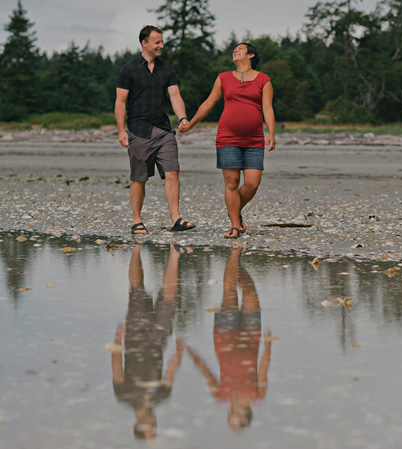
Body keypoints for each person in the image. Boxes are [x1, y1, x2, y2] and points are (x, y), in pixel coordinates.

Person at [180, 42, 275, 239]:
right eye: (234, 49)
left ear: (250, 55)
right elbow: (208, 104)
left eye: (240, 49)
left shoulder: (264, 80)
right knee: (231, 183)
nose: (235, 51)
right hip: (227, 137)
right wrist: (191, 124)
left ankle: (235, 210)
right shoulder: (223, 78)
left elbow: (267, 108)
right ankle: (235, 225)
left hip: (254, 139)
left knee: (252, 183)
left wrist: (271, 133)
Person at [115, 25, 196, 235]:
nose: (161, 45)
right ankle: (137, 221)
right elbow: (120, 102)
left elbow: (175, 96)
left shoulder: (167, 69)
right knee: (139, 178)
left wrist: (183, 118)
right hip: (138, 131)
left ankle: (176, 218)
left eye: (162, 41)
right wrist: (121, 130)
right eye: (157, 42)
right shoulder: (128, 69)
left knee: (173, 171)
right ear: (144, 43)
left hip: (164, 130)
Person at [185, 246, 272, 431]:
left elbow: (206, 373)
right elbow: (263, 370)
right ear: (245, 415)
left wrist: (189, 352)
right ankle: (235, 261)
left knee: (229, 291)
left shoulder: (220, 396)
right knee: (250, 291)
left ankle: (233, 256)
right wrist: (268, 346)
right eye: (237, 417)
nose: (234, 412)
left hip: (225, 338)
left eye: (232, 417)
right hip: (252, 335)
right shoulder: (257, 396)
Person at [111, 243, 187, 439]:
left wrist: (118, 336)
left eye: (150, 426)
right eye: (155, 426)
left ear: (138, 424)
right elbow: (170, 373)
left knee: (136, 290)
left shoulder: (124, 396)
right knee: (170, 298)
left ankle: (136, 250)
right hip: (159, 340)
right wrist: (179, 352)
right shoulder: (161, 396)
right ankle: (174, 255)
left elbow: (117, 368)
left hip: (135, 338)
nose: (153, 422)